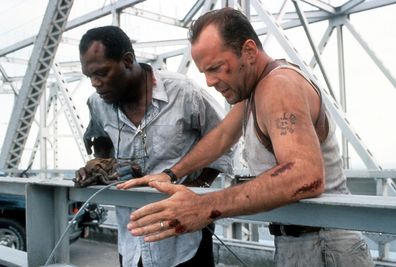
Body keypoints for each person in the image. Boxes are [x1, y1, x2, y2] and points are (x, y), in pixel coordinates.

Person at [119, 8, 374, 267]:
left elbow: (305, 175)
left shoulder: (278, 86)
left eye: (216, 68)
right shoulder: (256, 89)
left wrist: (205, 206)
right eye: (204, 72)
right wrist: (171, 174)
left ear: (249, 51)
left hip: (323, 244)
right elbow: (221, 137)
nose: (209, 82)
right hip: (303, 240)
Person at [75, 25, 233, 267]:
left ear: (127, 61)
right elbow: (100, 140)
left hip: (185, 240)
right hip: (131, 240)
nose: (95, 83)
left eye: (102, 73)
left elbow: (225, 140)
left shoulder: (183, 92)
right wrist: (98, 166)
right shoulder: (97, 103)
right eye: (89, 77)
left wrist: (195, 190)